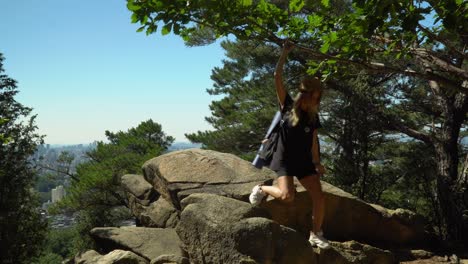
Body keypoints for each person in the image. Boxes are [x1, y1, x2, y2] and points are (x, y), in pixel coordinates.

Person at [249, 41, 330, 249]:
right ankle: (262, 188)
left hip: (303, 161)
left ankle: (316, 234)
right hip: (284, 159)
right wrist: (284, 54)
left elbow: (313, 141)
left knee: (319, 197)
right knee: (286, 196)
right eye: (315, 98)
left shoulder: (313, 117)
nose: (316, 102)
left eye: (318, 99)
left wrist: (317, 163)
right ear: (306, 96)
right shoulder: (287, 106)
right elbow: (277, 78)